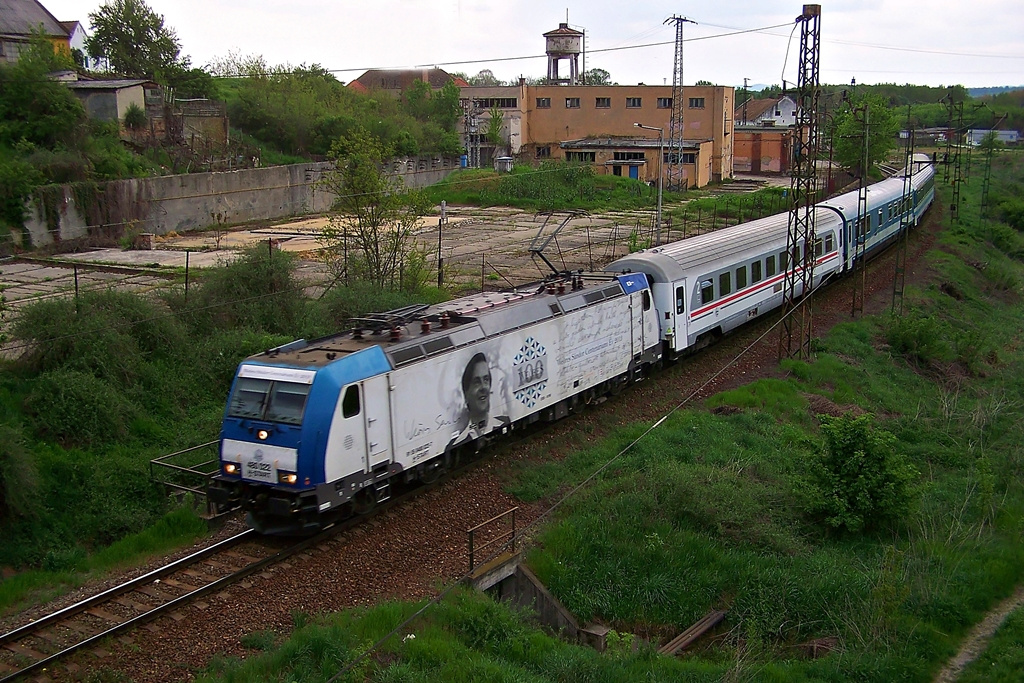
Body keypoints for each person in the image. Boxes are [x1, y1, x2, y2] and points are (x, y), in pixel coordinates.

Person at [449, 352, 509, 447]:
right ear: (466, 393)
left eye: (486, 380)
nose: (483, 388)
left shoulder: (505, 421)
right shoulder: (454, 444)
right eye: (476, 382)